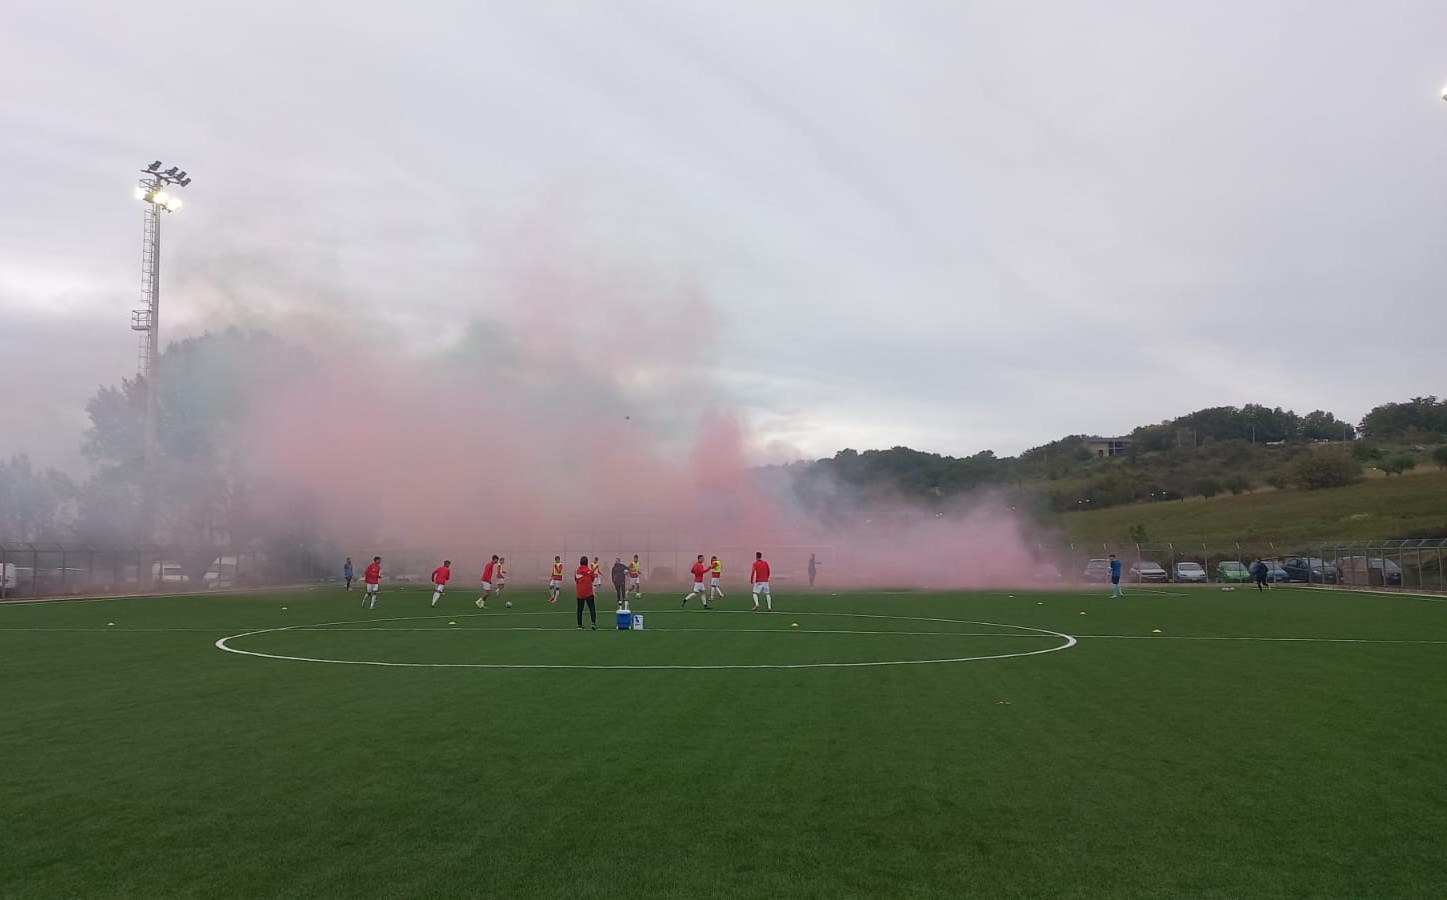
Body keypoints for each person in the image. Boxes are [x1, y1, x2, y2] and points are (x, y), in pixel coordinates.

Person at [574, 555, 597, 630]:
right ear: (587, 563)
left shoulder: (576, 571)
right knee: (592, 608)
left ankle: (579, 625)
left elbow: (576, 579)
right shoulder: (590, 571)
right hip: (588, 592)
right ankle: (593, 623)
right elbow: (593, 579)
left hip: (580, 593)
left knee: (580, 609)